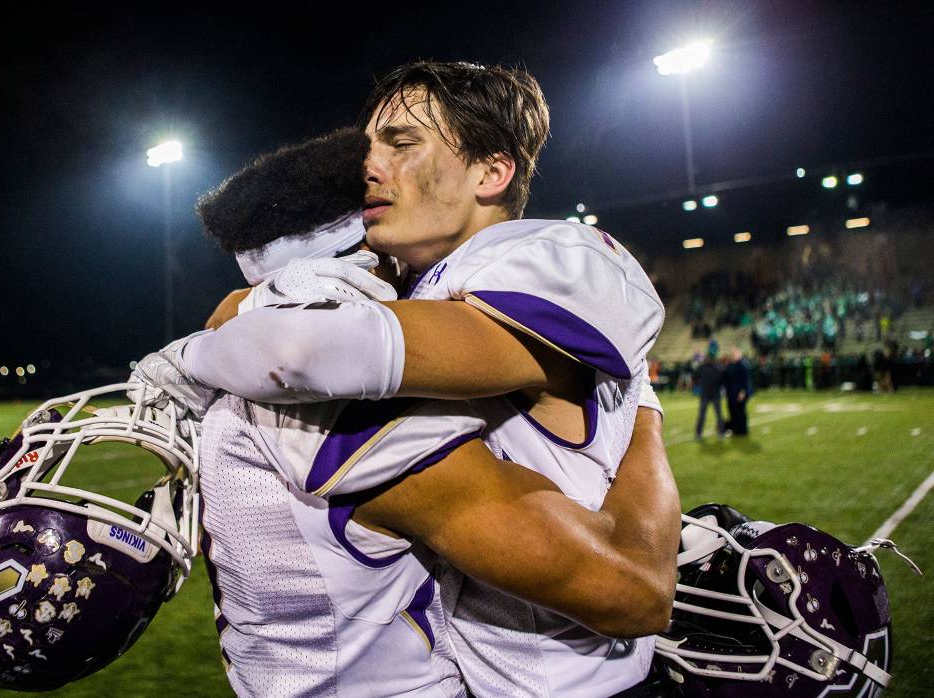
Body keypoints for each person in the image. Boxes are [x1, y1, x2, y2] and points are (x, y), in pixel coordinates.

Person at [134, 61, 678, 695]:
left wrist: (193, 355)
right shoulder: (427, 287)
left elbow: (299, 348)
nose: (369, 166)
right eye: (370, 147)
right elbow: (264, 319)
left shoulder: (546, 256)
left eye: (402, 143)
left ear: (492, 171)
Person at [693, 347, 724, 440]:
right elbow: (695, 377)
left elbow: (695, 377)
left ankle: (719, 431)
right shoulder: (714, 367)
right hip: (710, 394)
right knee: (706, 414)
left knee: (716, 414)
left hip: (711, 394)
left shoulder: (713, 367)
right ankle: (700, 433)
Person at [722, 347, 752, 436]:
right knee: (732, 412)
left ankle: (742, 430)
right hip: (731, 393)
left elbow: (745, 381)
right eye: (733, 354)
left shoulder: (743, 366)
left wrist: (743, 392)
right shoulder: (730, 366)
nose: (733, 356)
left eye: (735, 354)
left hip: (739, 393)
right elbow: (726, 379)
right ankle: (735, 430)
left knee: (740, 412)